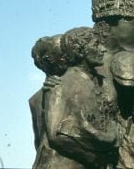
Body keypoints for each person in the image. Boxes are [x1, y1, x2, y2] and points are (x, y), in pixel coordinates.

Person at [44, 27, 120, 168]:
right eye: (96, 44)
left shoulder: (102, 81)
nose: (103, 49)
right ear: (80, 51)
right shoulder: (60, 85)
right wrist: (94, 158)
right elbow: (56, 136)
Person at [29, 34, 84, 169]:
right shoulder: (58, 92)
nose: (69, 56)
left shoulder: (35, 98)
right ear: (50, 59)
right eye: (63, 52)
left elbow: (38, 144)